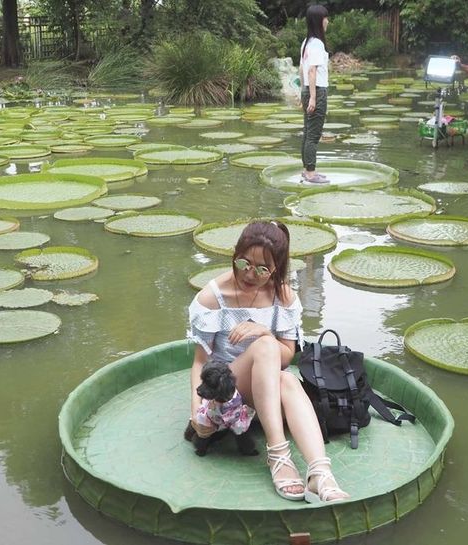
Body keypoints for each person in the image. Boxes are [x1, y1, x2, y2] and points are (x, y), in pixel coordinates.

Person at [187, 221, 349, 503]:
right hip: (226, 391)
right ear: (235, 255)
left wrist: (263, 331)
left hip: (267, 391)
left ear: (276, 268)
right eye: (244, 263)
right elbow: (200, 363)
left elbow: (287, 355)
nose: (250, 274)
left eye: (262, 269)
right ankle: (278, 454)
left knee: (286, 377)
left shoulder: (283, 296)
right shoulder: (212, 298)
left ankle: (319, 473)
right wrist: (196, 411)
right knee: (266, 347)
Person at [299, 5, 330, 184]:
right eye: (325, 18)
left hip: (308, 89)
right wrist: (312, 97)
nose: (327, 21)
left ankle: (306, 170)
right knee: (313, 135)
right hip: (317, 91)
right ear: (319, 21)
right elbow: (311, 70)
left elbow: (301, 69)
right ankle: (311, 173)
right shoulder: (317, 43)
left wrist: (303, 93)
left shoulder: (306, 42)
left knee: (307, 132)